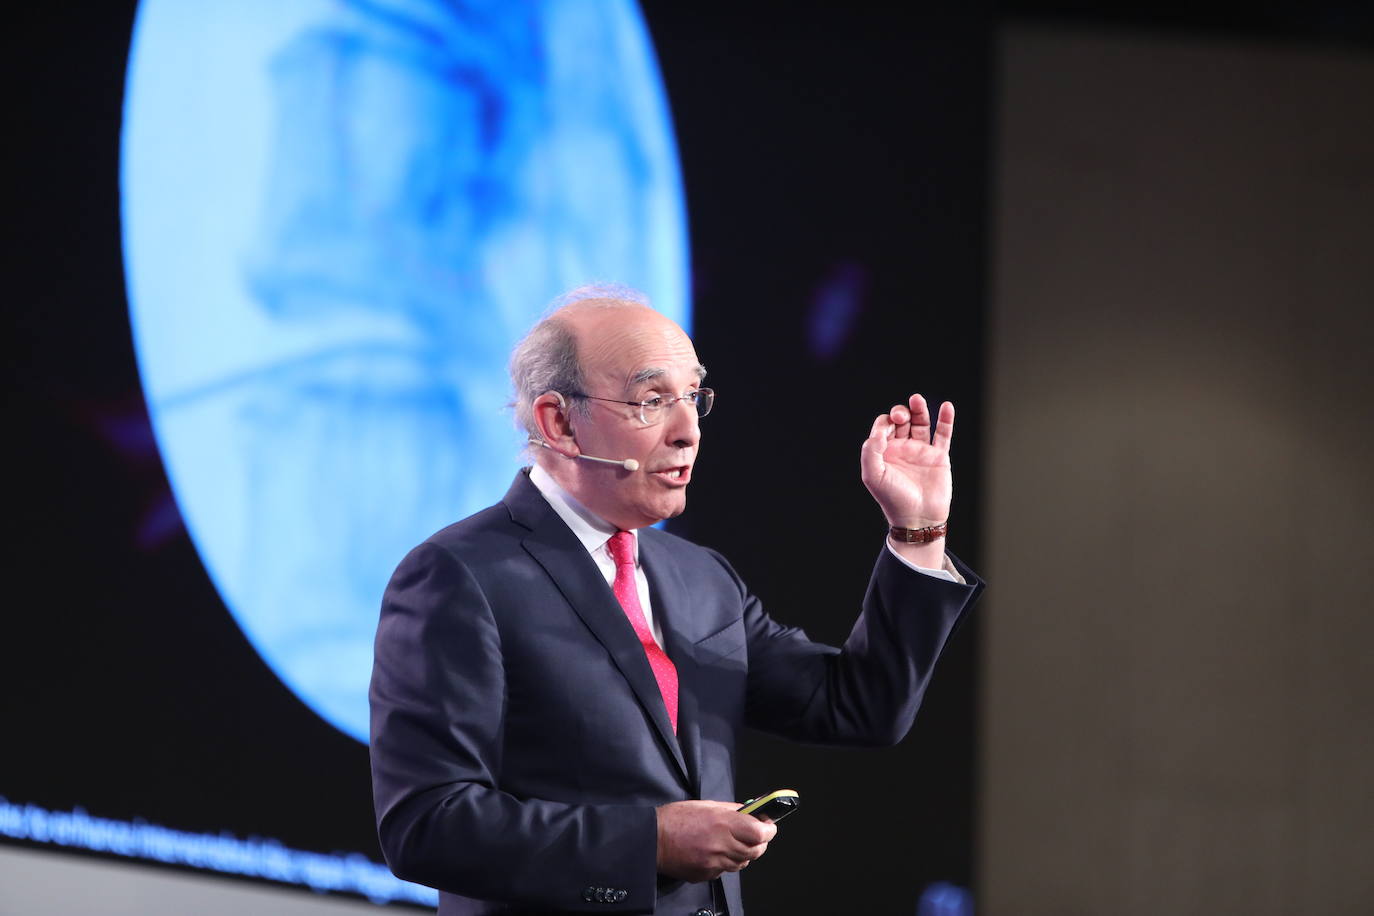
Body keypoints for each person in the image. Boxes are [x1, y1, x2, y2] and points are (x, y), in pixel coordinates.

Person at [369, 285, 983, 915]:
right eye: (653, 400)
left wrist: (918, 533)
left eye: (693, 396)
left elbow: (861, 708)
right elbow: (426, 823)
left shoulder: (701, 577)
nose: (688, 431)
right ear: (559, 422)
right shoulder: (459, 575)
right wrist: (648, 842)